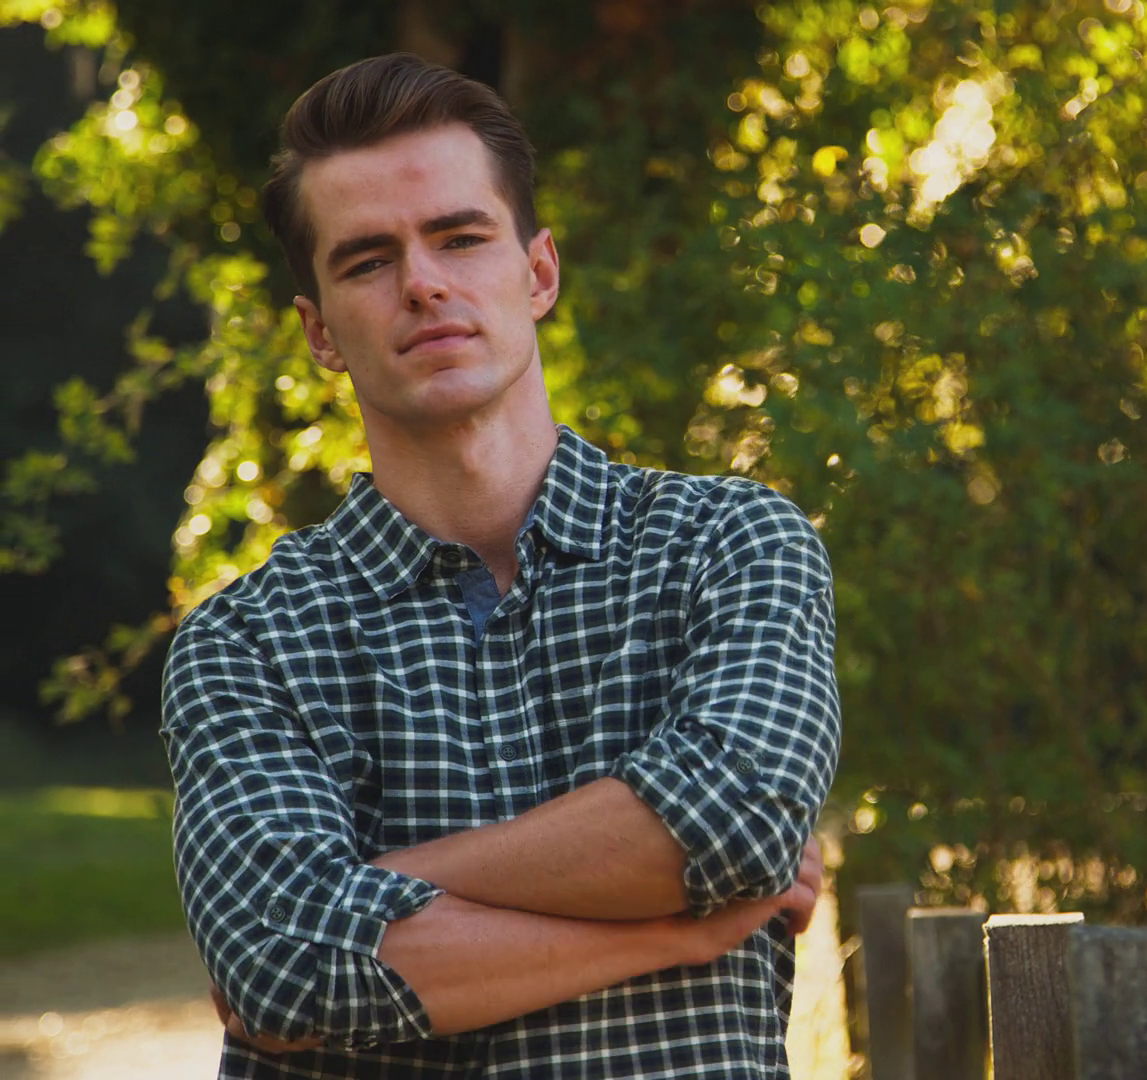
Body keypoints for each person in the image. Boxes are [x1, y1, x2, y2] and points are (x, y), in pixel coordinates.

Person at [160, 53, 841, 1078]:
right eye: (367, 262)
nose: (423, 283)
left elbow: (732, 822)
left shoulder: (731, 544)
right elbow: (286, 970)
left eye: (460, 237)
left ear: (539, 272)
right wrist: (679, 932)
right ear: (320, 332)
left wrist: (359, 887)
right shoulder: (245, 644)